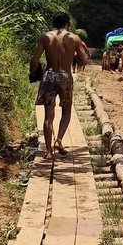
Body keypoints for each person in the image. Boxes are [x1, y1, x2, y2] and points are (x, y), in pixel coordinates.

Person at [30, 12, 90, 160]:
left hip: (49, 76)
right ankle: (59, 140)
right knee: (66, 111)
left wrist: (33, 73)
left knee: (48, 116)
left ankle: (48, 151)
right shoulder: (74, 38)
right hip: (65, 77)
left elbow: (35, 60)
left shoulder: (45, 37)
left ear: (53, 23)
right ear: (67, 24)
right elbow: (84, 61)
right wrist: (78, 51)